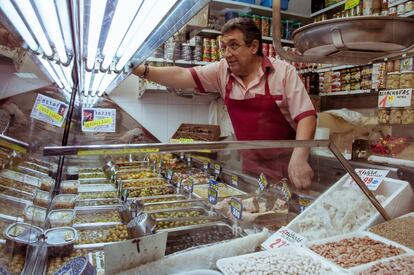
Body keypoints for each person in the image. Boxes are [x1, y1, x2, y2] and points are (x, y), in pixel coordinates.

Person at [133, 18, 316, 189]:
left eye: (234, 46)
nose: (227, 54)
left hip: (290, 168)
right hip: (252, 169)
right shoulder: (222, 71)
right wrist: (142, 69)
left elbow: (306, 116)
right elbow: (182, 75)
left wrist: (300, 157)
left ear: (253, 46)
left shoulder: (283, 72)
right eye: (224, 47)